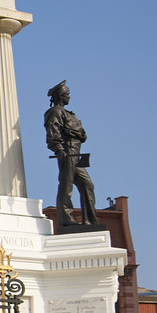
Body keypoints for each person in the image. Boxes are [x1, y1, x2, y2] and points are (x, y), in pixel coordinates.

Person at [44, 81, 99, 227]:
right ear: (61, 96)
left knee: (87, 185)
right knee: (66, 185)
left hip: (76, 153)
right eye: (67, 94)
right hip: (67, 152)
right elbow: (52, 133)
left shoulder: (69, 114)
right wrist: (59, 150)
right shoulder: (55, 112)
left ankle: (90, 220)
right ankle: (66, 219)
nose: (69, 96)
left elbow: (83, 135)